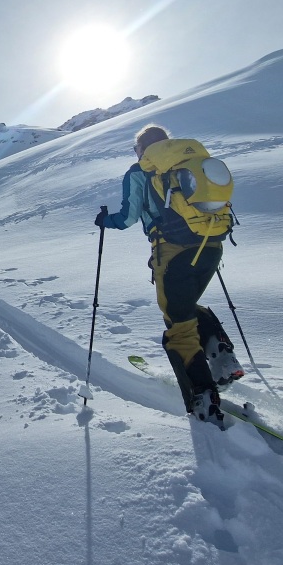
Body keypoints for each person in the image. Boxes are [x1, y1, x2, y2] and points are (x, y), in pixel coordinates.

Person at [95, 124, 244, 427]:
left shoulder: (141, 170)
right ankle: (221, 354)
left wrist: (105, 220)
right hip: (211, 245)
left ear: (142, 148)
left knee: (177, 323)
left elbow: (128, 217)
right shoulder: (189, 163)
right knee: (184, 307)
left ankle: (203, 398)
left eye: (136, 149)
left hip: (173, 252)